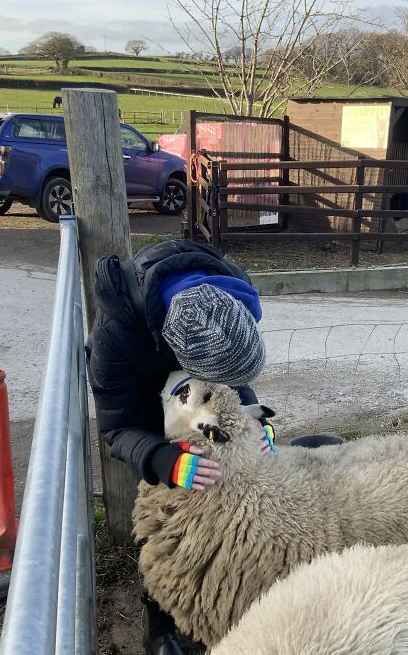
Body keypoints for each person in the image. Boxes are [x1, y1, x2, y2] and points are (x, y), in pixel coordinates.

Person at [85, 239, 273, 655]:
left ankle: (226, 585)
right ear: (183, 359)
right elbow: (119, 426)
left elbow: (234, 383)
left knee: (226, 496)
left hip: (199, 395)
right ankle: (159, 612)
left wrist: (257, 425)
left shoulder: (227, 296)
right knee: (162, 514)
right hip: (147, 413)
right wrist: (160, 459)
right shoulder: (116, 335)